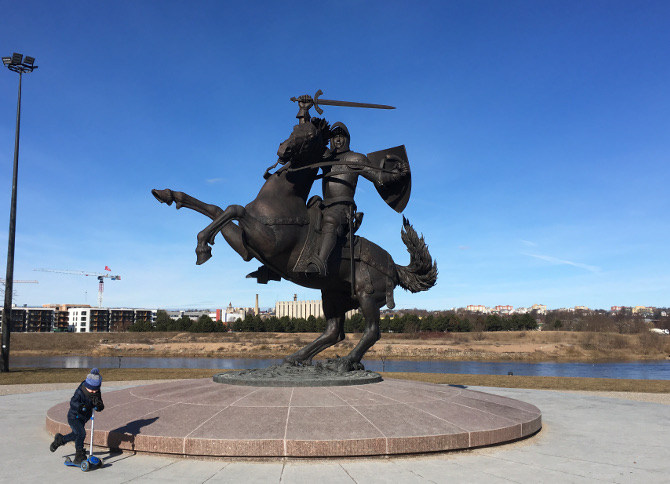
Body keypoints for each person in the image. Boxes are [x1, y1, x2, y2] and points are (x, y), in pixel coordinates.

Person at [305, 122, 379, 276]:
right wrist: (303, 111)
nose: (337, 140)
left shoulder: (355, 158)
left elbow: (378, 176)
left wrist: (395, 174)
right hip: (324, 205)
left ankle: (320, 264)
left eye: (341, 136)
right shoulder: (326, 157)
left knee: (331, 219)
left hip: (343, 208)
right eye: (334, 137)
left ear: (347, 139)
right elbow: (308, 139)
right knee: (303, 216)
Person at [49, 368, 104, 464]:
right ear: (87, 386)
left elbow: (99, 403)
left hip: (84, 418)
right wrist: (80, 406)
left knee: (76, 434)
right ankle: (79, 455)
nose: (94, 392)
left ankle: (60, 440)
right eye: (92, 390)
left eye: (96, 390)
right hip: (74, 417)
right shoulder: (80, 391)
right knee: (81, 434)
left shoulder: (96, 392)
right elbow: (73, 402)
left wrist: (99, 406)